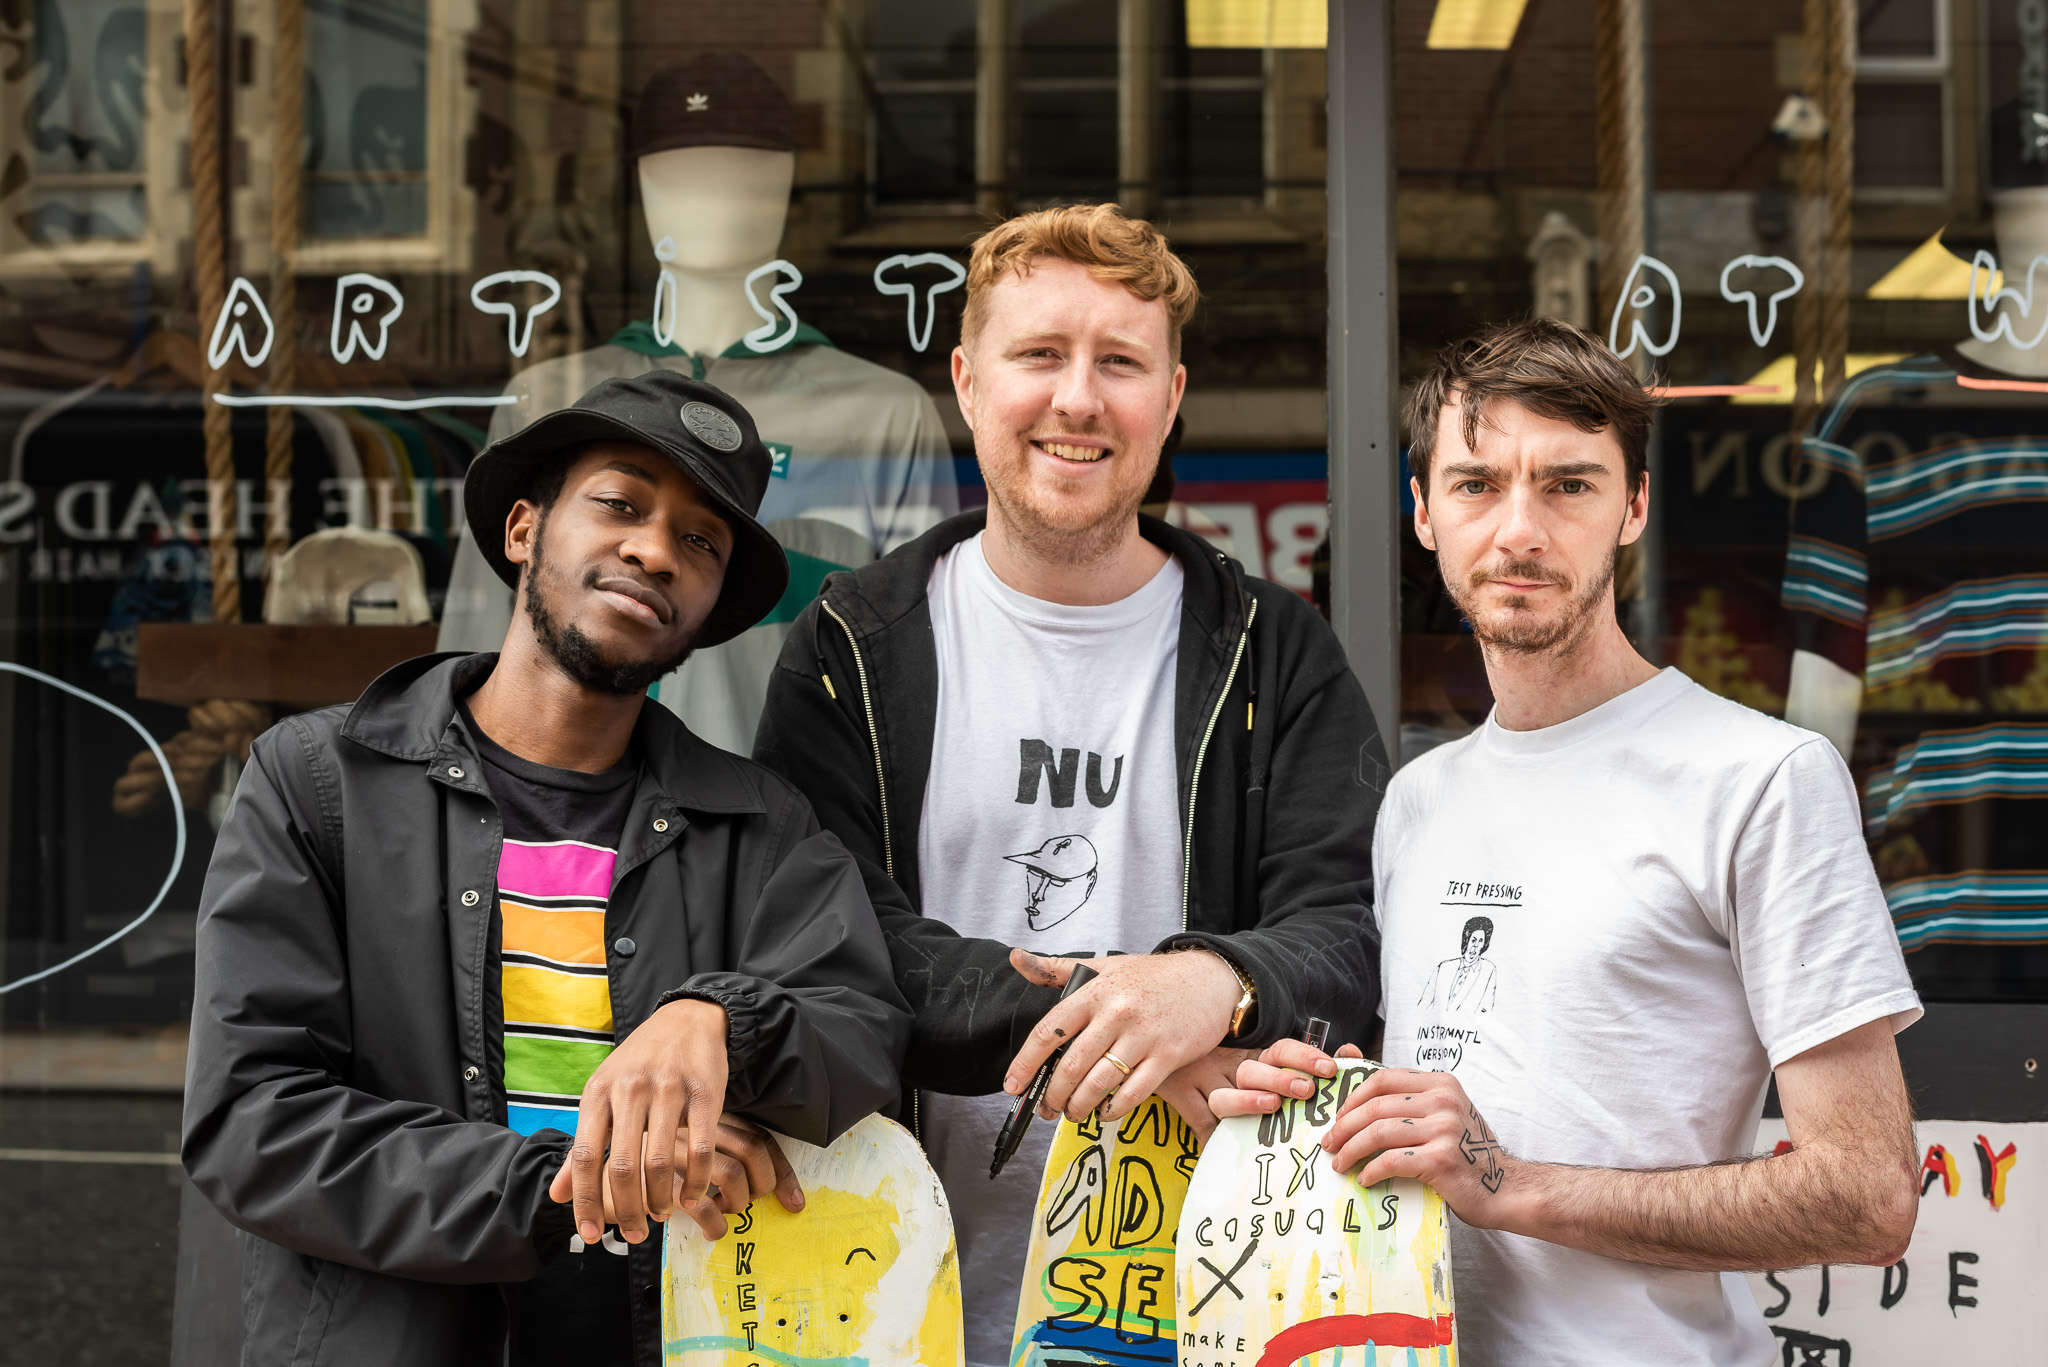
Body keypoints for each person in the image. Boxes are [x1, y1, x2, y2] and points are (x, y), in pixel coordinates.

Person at [1211, 317, 1923, 1367]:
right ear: (1420, 513)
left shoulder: (1759, 778)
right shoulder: (1417, 797)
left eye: (1567, 484)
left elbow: (1865, 1195)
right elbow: (1439, 1116)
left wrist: (1511, 1182)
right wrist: (1309, 1102)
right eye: (1474, 483)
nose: (1517, 529)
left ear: (1632, 505)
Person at [752, 203, 1387, 1365]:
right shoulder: (851, 645)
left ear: (1172, 394)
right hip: (894, 1304)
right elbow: (820, 937)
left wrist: (1221, 978)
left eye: (1120, 362)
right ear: (964, 378)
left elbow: (1351, 924)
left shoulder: (1275, 648)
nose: (1078, 398)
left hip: (1213, 1299)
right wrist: (1140, 1022)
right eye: (1039, 354)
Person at [182, 370, 910, 1367]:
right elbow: (253, 1120)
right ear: (523, 528)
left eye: (700, 539)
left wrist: (719, 1019)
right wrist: (560, 1181)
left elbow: (863, 1026)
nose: (654, 549)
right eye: (619, 503)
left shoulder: (758, 824)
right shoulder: (320, 783)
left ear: (707, 608)